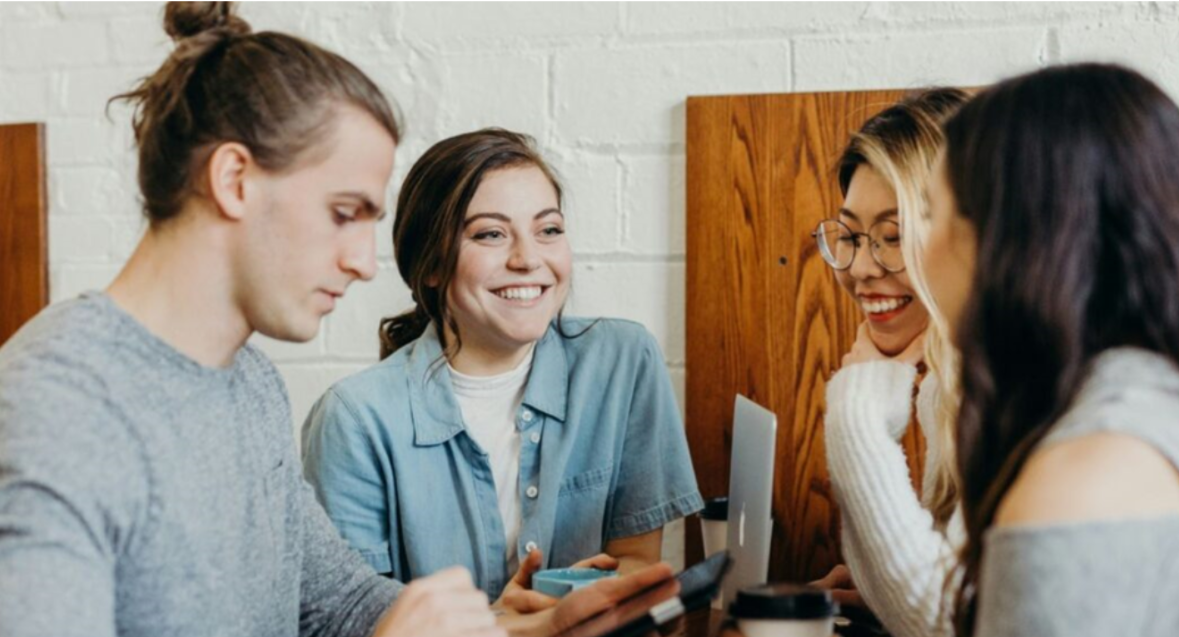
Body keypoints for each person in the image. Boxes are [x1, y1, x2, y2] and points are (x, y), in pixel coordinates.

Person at [0, 4, 672, 637]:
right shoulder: (57, 406)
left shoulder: (249, 385)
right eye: (343, 212)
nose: (360, 262)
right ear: (234, 180)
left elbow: (340, 602)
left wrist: (508, 624)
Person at [301, 128, 704, 605]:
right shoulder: (353, 419)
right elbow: (348, 619)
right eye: (490, 234)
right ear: (430, 265)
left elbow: (637, 560)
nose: (528, 259)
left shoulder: (622, 361)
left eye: (548, 230)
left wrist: (585, 600)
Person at [924, 63, 1179, 636]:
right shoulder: (1167, 404)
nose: (918, 250)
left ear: (1005, 239)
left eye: (931, 213)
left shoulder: (1081, 482)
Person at [809, 89, 970, 637]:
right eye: (852, 236)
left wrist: (857, 416)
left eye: (893, 237)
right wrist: (880, 590)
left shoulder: (1022, 391)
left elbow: (947, 623)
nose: (858, 268)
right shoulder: (949, 383)